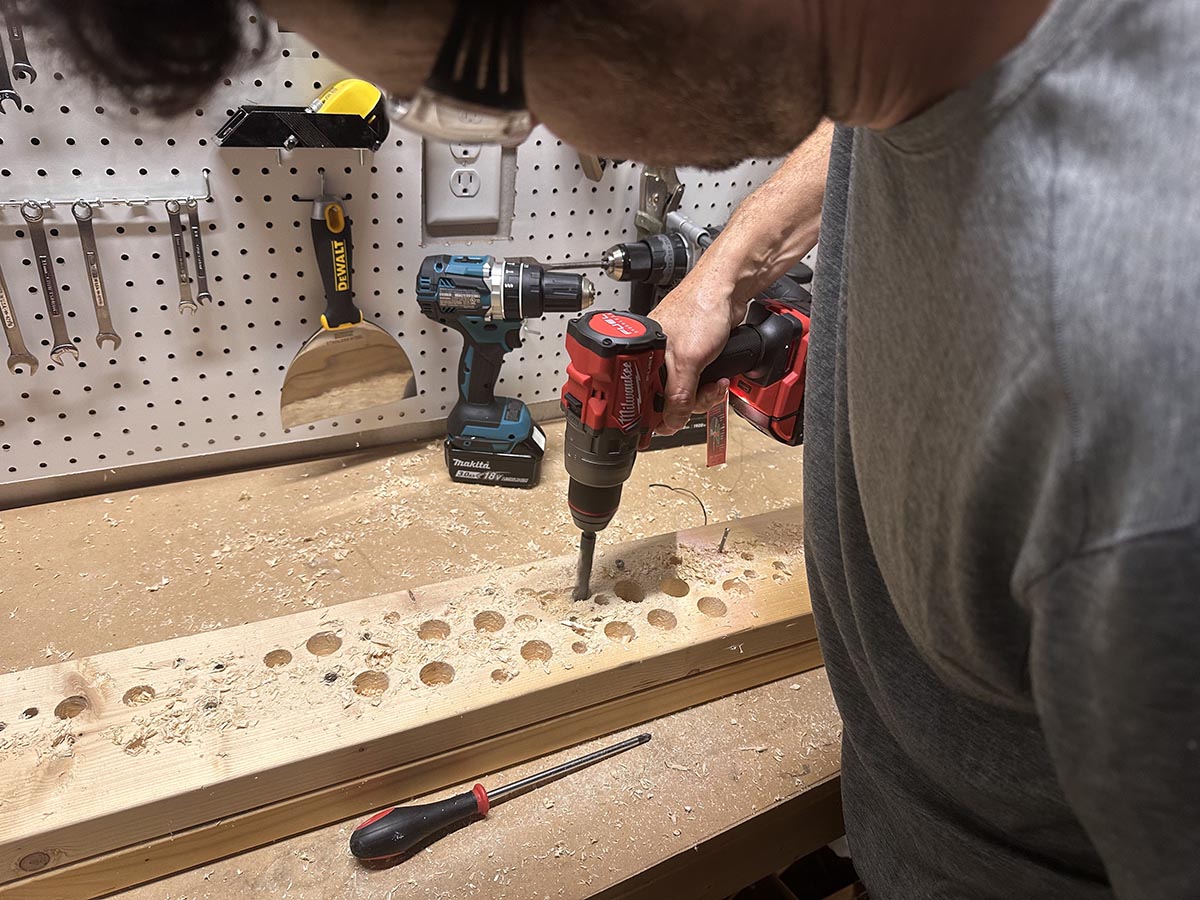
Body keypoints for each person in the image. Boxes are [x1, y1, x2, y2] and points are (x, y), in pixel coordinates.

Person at [40, 1, 1200, 896]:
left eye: (475, 87)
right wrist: (724, 272)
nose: (535, 136)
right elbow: (859, 118)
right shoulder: (917, 50)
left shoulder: (1139, 412)